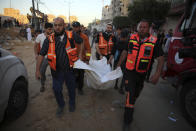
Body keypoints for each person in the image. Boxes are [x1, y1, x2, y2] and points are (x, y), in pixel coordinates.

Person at [117, 20, 164, 131]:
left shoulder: (154, 41)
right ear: (137, 28)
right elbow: (124, 51)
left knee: (136, 93)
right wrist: (118, 64)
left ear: (148, 29)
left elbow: (161, 58)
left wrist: (157, 74)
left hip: (142, 74)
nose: (142, 29)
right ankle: (127, 121)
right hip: (129, 72)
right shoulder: (131, 38)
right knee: (130, 95)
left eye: (145, 27)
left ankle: (131, 102)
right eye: (140, 27)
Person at [35, 17, 83, 117]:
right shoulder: (49, 39)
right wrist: (37, 70)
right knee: (56, 89)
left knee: (71, 88)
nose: (57, 27)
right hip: (56, 71)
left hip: (70, 69)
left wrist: (80, 55)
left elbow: (81, 42)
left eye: (59, 25)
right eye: (55, 25)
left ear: (64, 25)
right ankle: (61, 105)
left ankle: (72, 103)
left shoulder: (71, 34)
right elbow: (41, 55)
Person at [72, 21, 91, 95]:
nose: (75, 28)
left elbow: (88, 49)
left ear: (79, 27)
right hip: (72, 60)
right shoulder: (69, 36)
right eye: (74, 27)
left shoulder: (84, 37)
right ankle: (74, 85)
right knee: (73, 75)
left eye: (77, 27)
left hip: (82, 60)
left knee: (81, 75)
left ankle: (80, 88)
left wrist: (87, 59)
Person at [108, 29, 129, 94]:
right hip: (124, 62)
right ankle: (120, 87)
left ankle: (117, 85)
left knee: (120, 74)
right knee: (124, 75)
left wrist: (110, 60)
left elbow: (113, 52)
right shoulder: (128, 43)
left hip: (121, 61)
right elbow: (113, 52)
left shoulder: (118, 43)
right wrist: (109, 60)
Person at [34, 23, 53, 92]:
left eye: (51, 29)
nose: (51, 31)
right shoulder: (40, 36)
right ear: (45, 29)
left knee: (54, 72)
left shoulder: (54, 36)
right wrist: (36, 54)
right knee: (42, 72)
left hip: (52, 58)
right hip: (43, 58)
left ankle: (55, 85)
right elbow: (35, 46)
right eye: (49, 29)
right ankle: (42, 85)